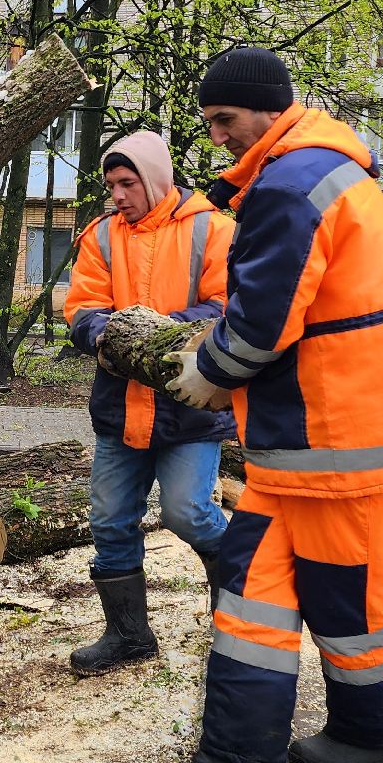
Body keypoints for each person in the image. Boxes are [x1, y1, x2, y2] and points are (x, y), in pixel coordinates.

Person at [152, 47, 383, 763]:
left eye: (224, 119)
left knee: (346, 604)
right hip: (323, 441)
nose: (217, 136)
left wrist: (206, 373)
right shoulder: (317, 168)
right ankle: (242, 761)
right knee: (255, 592)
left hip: (341, 440)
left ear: (265, 108)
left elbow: (261, 324)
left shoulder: (289, 184)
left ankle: (368, 738)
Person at [62, 130, 236, 677]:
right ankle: (128, 635)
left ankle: (240, 610)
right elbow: (82, 304)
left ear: (156, 179)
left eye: (126, 182)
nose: (117, 194)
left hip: (191, 405)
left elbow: (228, 304)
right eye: (111, 184)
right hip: (119, 406)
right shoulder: (103, 236)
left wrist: (161, 331)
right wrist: (99, 331)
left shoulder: (213, 227)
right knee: (111, 521)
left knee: (188, 512)